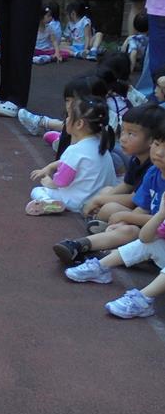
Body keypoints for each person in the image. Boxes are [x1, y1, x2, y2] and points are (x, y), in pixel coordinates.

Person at [63, 117, 165, 319]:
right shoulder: (154, 172)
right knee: (150, 241)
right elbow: (145, 237)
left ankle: (143, 299)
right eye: (157, 144)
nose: (159, 152)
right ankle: (101, 267)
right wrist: (161, 214)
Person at [71, 103, 160, 232]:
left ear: (152, 140)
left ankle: (101, 224)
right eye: (123, 131)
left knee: (109, 208)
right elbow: (127, 185)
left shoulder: (153, 165)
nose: (123, 138)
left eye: (131, 134)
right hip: (137, 208)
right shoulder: (136, 159)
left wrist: (99, 200)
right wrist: (101, 199)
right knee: (106, 191)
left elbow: (133, 200)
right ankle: (100, 221)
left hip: (146, 213)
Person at [26, 96, 116, 215]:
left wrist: (49, 183)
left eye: (68, 116)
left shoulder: (75, 150)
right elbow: (76, 164)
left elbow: (61, 181)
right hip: (96, 201)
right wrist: (51, 166)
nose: (66, 120)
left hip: (76, 202)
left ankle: (48, 202)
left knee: (38, 190)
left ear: (79, 124)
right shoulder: (101, 147)